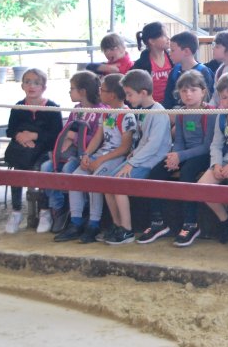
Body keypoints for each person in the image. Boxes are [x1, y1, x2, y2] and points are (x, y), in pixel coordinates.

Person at [54, 74, 137, 243]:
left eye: (102, 90)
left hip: (115, 157)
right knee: (76, 177)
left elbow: (124, 148)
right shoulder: (105, 113)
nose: (99, 92)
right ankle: (76, 221)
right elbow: (98, 137)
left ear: (112, 95)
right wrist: (86, 154)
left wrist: (100, 160)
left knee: (96, 180)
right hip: (101, 154)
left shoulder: (126, 115)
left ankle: (94, 223)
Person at [137, 70, 216, 247]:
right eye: (184, 91)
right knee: (156, 172)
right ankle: (157, 221)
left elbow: (206, 146)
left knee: (187, 173)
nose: (188, 94)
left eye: (193, 90)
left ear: (203, 91)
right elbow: (179, 140)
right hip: (183, 154)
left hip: (203, 155)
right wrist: (174, 156)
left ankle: (191, 223)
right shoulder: (181, 113)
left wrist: (180, 156)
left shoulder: (210, 113)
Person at [104, 69, 172, 245]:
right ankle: (117, 224)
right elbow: (143, 140)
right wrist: (134, 155)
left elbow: (154, 145)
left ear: (143, 92)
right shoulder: (142, 110)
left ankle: (127, 230)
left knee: (119, 185)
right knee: (107, 183)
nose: (127, 99)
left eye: (129, 94)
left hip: (152, 161)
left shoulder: (158, 112)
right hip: (140, 158)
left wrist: (132, 162)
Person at [37, 71, 106, 235]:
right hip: (71, 153)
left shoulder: (101, 111)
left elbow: (99, 138)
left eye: (72, 88)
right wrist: (68, 139)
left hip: (86, 154)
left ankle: (79, 211)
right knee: (46, 168)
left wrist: (74, 137)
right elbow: (66, 131)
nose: (69, 92)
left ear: (82, 91)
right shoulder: (76, 110)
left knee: (69, 170)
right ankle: (58, 208)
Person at [3, 68, 63, 234]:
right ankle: (16, 211)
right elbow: (10, 130)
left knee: (41, 169)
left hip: (44, 150)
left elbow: (57, 134)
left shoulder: (52, 108)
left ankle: (44, 211)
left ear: (44, 87)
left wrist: (34, 136)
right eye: (27, 82)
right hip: (23, 149)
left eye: (36, 83)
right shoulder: (18, 107)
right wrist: (20, 137)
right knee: (17, 171)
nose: (31, 86)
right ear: (22, 85)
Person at [196, 73, 228, 245]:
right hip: (225, 159)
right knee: (202, 187)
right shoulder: (221, 116)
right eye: (224, 98)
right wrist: (216, 164)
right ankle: (225, 220)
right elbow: (216, 144)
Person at [162, 31, 215, 109]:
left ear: (186, 51)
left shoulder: (203, 72)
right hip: (175, 113)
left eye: (172, 50)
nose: (169, 53)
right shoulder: (174, 71)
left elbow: (207, 100)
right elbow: (168, 100)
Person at [131, 22, 173, 105]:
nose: (168, 38)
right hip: (150, 107)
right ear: (152, 41)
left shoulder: (173, 58)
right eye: (164, 36)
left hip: (172, 105)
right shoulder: (141, 64)